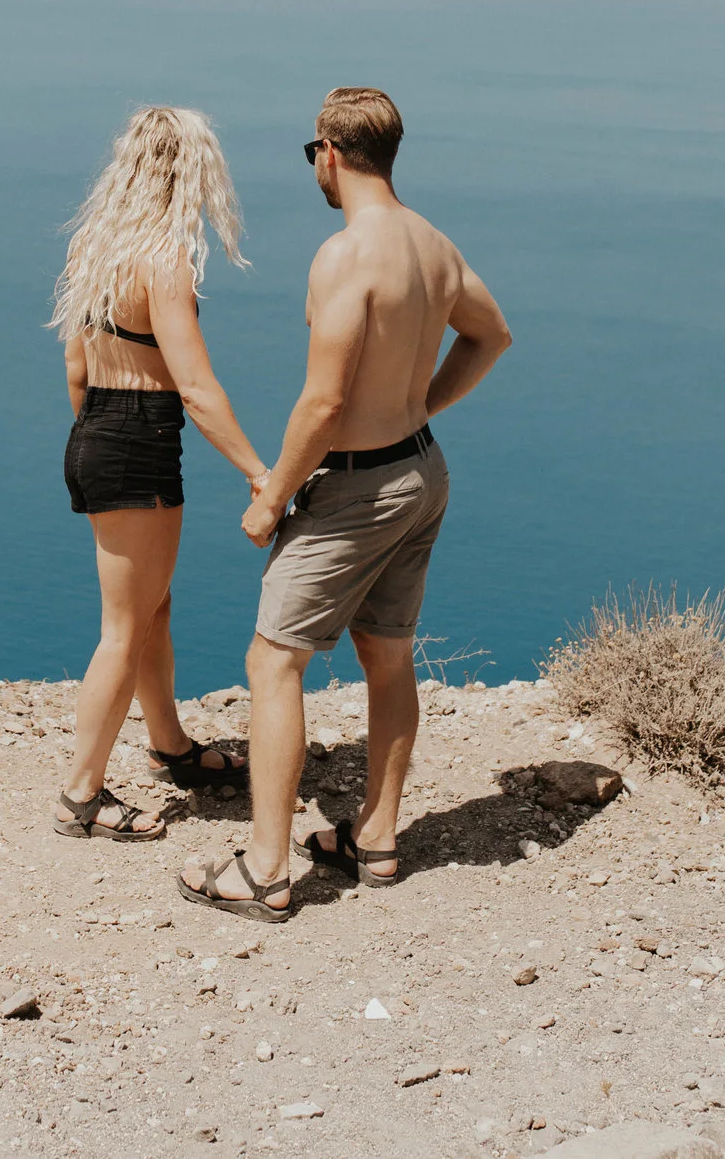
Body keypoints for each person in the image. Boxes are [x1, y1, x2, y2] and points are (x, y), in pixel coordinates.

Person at [177, 87, 512, 919]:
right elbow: (491, 334)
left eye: (311, 154)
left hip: (359, 487)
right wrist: (420, 407)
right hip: (421, 473)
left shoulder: (345, 255)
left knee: (273, 660)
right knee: (387, 653)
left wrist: (273, 498)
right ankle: (377, 836)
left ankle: (265, 869)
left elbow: (322, 405)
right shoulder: (433, 245)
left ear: (329, 150)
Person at [49, 106, 271, 842]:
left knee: (152, 607)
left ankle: (169, 742)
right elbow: (199, 389)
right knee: (123, 626)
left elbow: (77, 367)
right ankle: (81, 794)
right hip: (141, 436)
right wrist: (258, 471)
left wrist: (95, 436)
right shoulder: (165, 258)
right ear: (191, 173)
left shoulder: (96, 246)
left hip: (96, 430)